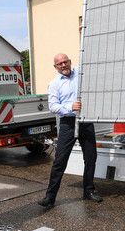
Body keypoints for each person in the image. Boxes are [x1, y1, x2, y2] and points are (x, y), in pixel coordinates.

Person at [38, 53, 102, 207]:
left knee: (90, 157)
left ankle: (88, 191)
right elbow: (53, 107)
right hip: (68, 122)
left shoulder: (79, 73)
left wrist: (82, 33)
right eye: (60, 64)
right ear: (55, 67)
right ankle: (50, 197)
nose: (63, 65)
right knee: (60, 161)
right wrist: (70, 107)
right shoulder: (54, 84)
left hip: (85, 121)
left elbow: (88, 54)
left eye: (65, 62)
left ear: (70, 62)